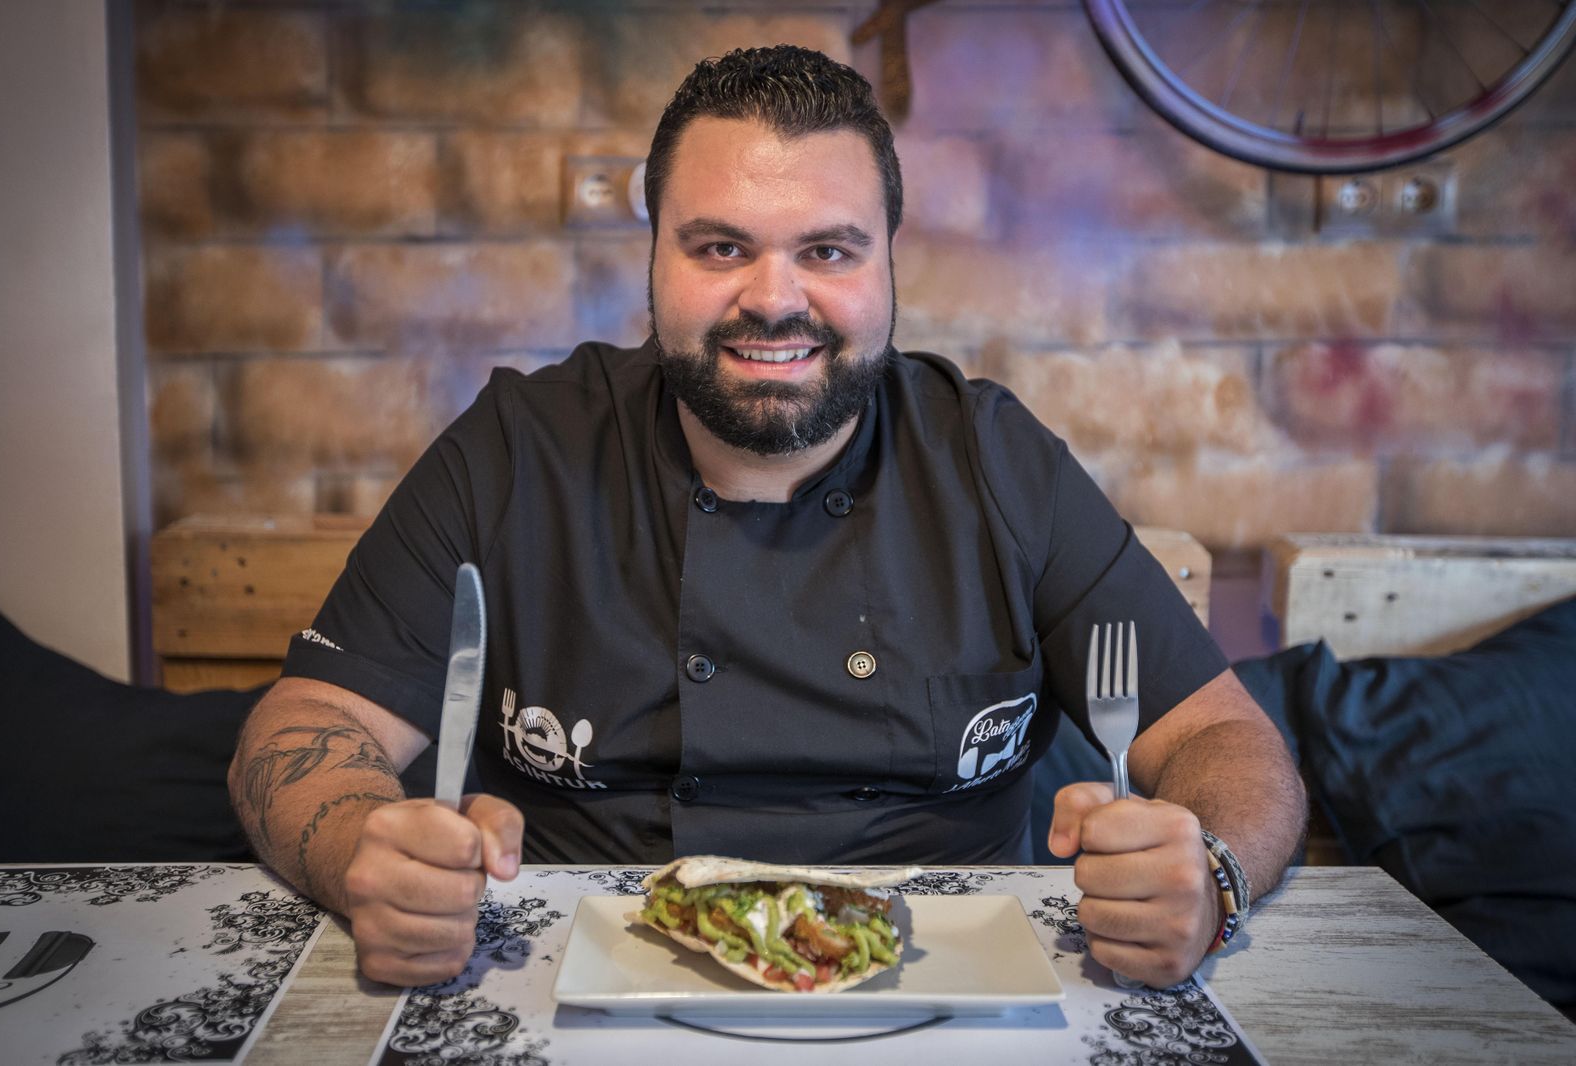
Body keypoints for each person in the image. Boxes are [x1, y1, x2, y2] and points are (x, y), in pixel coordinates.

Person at [228, 44, 1305, 990]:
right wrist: (364, 846)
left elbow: (1223, 738)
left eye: (827, 250)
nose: (774, 298)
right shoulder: (521, 447)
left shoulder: (993, 461)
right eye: (719, 247)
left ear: (889, 260)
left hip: (947, 989)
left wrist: (1206, 873)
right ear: (652, 256)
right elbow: (304, 729)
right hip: (583, 982)